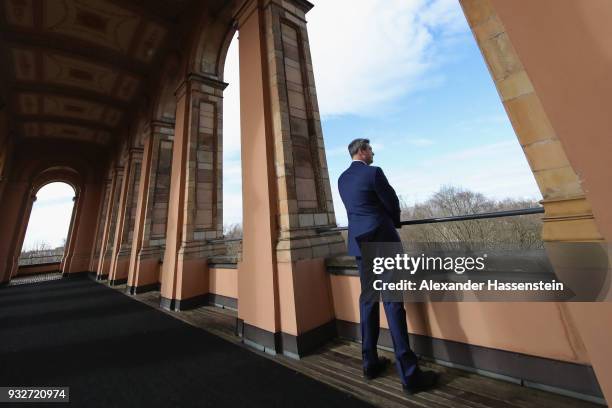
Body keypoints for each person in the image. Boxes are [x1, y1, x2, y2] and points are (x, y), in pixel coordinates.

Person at [337, 138, 438, 395]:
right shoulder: (374, 173)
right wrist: (395, 222)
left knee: (368, 300)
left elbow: (356, 210)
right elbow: (391, 201)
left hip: (360, 245)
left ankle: (370, 364)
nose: (373, 153)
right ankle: (410, 375)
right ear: (361, 151)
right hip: (382, 241)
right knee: (393, 303)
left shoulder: (342, 179)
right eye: (370, 149)